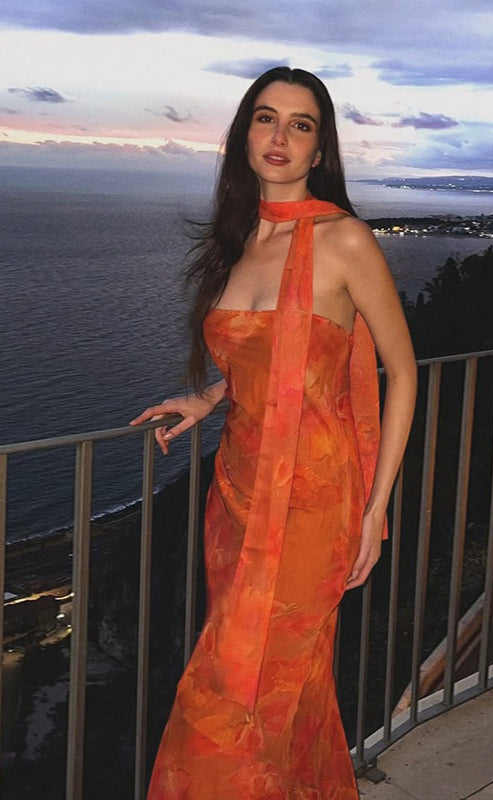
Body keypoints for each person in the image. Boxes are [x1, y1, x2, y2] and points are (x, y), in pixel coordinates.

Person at [130, 66, 417, 800]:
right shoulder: (237, 243)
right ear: (244, 135)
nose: (280, 136)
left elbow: (402, 372)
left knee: (230, 695)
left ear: (320, 148)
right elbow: (274, 358)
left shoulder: (344, 240)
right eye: (266, 117)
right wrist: (209, 396)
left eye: (300, 124)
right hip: (236, 493)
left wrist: (375, 509)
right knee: (285, 688)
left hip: (314, 506)